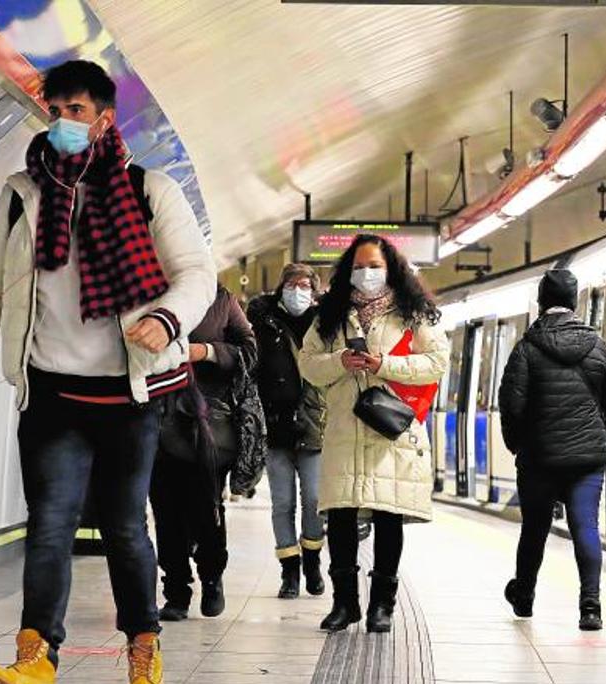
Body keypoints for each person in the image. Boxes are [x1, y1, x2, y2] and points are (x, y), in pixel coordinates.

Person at [0, 60, 215, 684]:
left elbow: (196, 273)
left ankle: (144, 660)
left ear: (105, 119)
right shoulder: (23, 195)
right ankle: (36, 662)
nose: (63, 123)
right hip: (52, 393)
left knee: (124, 529)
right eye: (55, 110)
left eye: (77, 112)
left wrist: (168, 320)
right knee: (50, 525)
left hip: (128, 396)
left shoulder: (150, 190)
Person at [297, 235, 449, 633]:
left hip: (391, 431)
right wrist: (339, 361)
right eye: (360, 266)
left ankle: (383, 606)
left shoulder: (413, 314)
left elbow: (436, 362)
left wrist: (385, 364)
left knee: (388, 516)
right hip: (346, 429)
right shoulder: (329, 314)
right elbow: (308, 365)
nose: (367, 274)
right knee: (341, 518)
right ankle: (344, 604)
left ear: (391, 269)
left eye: (375, 266)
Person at [498, 269, 606, 631]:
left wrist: (518, 445)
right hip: (586, 460)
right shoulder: (598, 346)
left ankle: (524, 597)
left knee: (534, 529)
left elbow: (512, 404)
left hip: (540, 459)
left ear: (541, 302)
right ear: (574, 302)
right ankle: (591, 607)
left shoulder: (527, 347)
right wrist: (596, 436)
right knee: (586, 527)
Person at [150, 285, 261, 621]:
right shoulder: (148, 293)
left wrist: (206, 351)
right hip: (155, 417)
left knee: (205, 506)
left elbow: (249, 350)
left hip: (209, 423)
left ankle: (212, 577)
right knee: (166, 511)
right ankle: (176, 591)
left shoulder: (219, 299)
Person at [248, 264, 328, 599]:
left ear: (314, 289)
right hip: (275, 425)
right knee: (282, 503)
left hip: (313, 424)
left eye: (305, 284)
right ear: (281, 287)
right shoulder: (263, 323)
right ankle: (289, 572)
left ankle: (312, 560)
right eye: (292, 284)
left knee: (313, 499)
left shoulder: (325, 322)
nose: (298, 290)